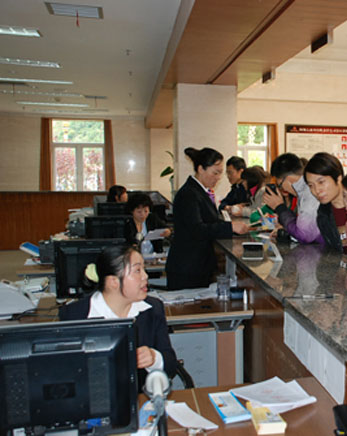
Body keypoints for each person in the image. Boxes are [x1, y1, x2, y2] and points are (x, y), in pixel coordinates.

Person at [59, 245, 177, 391]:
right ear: (113, 282)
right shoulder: (75, 316)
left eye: (144, 269)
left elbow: (171, 366)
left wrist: (154, 358)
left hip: (141, 398)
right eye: (137, 270)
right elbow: (66, 375)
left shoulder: (152, 309)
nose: (145, 276)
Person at [166, 147, 248, 290]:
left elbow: (210, 221)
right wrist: (230, 227)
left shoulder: (200, 192)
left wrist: (232, 227)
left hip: (197, 266)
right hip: (187, 267)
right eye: (215, 173)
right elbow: (197, 229)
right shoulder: (189, 194)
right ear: (200, 169)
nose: (218, 177)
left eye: (220, 173)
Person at [262, 153, 321, 243]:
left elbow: (304, 235)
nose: (283, 189)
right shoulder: (302, 191)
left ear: (288, 179)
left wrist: (279, 207)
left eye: (280, 185)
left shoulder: (309, 193)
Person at [304, 153, 347, 252]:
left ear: (338, 178)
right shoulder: (323, 214)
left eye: (321, 182)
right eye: (311, 185)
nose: (316, 190)